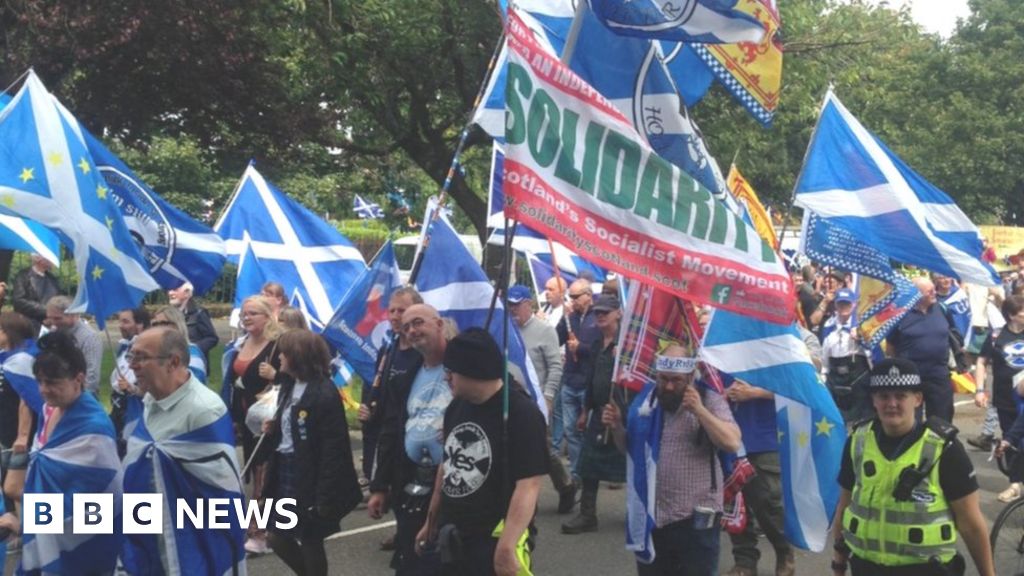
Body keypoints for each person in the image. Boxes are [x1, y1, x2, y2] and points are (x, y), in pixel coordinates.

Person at [830, 358, 994, 576]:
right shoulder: (858, 442)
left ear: (917, 399)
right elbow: (845, 506)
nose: (892, 404)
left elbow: (971, 524)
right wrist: (839, 564)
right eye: (884, 396)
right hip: (866, 568)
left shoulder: (945, 449)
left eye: (901, 396)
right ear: (874, 400)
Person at [414, 328, 548, 576]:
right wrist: (431, 521)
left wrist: (507, 545)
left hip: (492, 537)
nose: (446, 378)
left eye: (450, 372)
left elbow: (529, 484)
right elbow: (447, 466)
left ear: (472, 370)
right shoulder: (456, 407)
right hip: (452, 534)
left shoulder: (522, 414)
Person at [603, 344, 741, 575]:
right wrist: (617, 427)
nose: (668, 386)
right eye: (663, 379)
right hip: (654, 517)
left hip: (695, 519)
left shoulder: (708, 397)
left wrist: (699, 411)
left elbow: (732, 442)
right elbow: (631, 451)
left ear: (690, 376)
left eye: (676, 381)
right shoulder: (647, 401)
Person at [121, 326, 246, 575]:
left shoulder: (204, 411)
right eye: (130, 356)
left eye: (141, 357)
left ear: (173, 362)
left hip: (192, 542)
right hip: (151, 535)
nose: (132, 365)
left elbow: (222, 495)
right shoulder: (147, 402)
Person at [19, 331, 121, 574]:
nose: (44, 390)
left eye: (53, 382)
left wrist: (30, 520)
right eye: (40, 381)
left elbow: (103, 500)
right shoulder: (48, 410)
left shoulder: (94, 430)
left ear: (79, 379)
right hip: (48, 526)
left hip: (82, 543)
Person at [263, 329, 363, 576]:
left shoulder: (324, 392)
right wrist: (275, 426)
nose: (279, 359)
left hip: (310, 474)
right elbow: (292, 424)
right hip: (285, 468)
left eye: (283, 353)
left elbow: (333, 448)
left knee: (309, 538)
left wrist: (324, 495)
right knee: (276, 536)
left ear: (298, 356)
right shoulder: (289, 385)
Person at [368, 303, 451, 575]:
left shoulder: (465, 365)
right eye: (406, 327)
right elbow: (391, 431)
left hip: (455, 489)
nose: (412, 331)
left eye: (418, 323)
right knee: (411, 562)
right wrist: (380, 486)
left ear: (439, 324)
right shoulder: (407, 376)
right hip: (411, 483)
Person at [221, 295, 286, 555]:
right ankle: (266, 527)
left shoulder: (278, 345)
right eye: (244, 314)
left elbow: (294, 379)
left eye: (253, 314)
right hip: (245, 419)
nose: (246, 318)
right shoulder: (241, 342)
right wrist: (235, 418)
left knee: (264, 475)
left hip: (269, 420)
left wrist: (276, 375)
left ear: (268, 316)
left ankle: (259, 533)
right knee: (256, 474)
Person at [508, 284, 575, 513]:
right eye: (509, 305)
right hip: (513, 398)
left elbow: (555, 367)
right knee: (516, 448)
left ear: (528, 304)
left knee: (544, 449)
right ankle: (524, 499)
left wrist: (547, 397)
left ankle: (565, 486)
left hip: (537, 399)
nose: (512, 309)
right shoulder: (507, 330)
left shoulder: (545, 330)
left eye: (517, 304)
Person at [563, 294, 625, 535]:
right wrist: (585, 410)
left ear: (618, 313)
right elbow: (591, 378)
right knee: (588, 466)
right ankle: (588, 515)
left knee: (631, 468)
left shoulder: (627, 344)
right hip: (599, 412)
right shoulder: (599, 343)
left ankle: (640, 515)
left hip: (622, 414)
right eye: (597, 312)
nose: (600, 315)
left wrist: (624, 357)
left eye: (605, 312)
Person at [723, 374, 794, 576]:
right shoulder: (718, 344)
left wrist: (754, 392)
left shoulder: (775, 342)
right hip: (728, 432)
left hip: (765, 435)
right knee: (734, 502)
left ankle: (784, 552)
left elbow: (796, 384)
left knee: (769, 502)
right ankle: (744, 562)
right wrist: (724, 393)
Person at [886, 277, 958, 422]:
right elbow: (890, 347)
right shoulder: (900, 314)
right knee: (910, 422)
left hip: (939, 375)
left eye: (934, 290)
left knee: (942, 421)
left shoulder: (942, 309)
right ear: (916, 294)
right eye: (929, 291)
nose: (934, 294)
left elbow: (951, 332)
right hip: (910, 378)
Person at [976, 295, 1024, 502]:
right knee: (1010, 440)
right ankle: (1015, 484)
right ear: (1012, 315)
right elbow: (981, 361)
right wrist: (979, 389)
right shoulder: (997, 336)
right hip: (1005, 398)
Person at [556, 278, 599, 480]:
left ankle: (588, 473)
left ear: (588, 295)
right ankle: (576, 474)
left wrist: (580, 348)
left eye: (575, 297)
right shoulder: (570, 316)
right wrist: (562, 319)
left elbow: (600, 350)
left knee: (587, 431)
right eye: (569, 297)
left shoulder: (598, 317)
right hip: (570, 380)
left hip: (588, 383)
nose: (572, 301)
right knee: (570, 430)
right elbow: (556, 338)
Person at [821, 289, 872, 423]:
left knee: (862, 421)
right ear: (836, 305)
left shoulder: (863, 324)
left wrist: (861, 339)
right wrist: (824, 377)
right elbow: (825, 359)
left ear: (854, 304)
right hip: (836, 379)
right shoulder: (828, 325)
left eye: (847, 304)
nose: (844, 307)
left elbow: (873, 354)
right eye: (841, 304)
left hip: (858, 378)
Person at [109, 307, 150, 453]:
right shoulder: (124, 346)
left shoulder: (148, 349)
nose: (120, 325)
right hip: (118, 409)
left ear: (140, 325)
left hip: (135, 412)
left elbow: (150, 389)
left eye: (125, 321)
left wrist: (131, 388)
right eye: (120, 321)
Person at [43, 295, 102, 397]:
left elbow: (91, 376)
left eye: (57, 318)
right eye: (50, 318)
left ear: (73, 315)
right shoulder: (53, 333)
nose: (53, 323)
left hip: (81, 398)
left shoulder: (89, 338)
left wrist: (75, 398)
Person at [152, 305, 209, 383]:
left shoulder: (192, 353)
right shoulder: (155, 353)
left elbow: (192, 383)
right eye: (155, 324)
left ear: (178, 325)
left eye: (164, 323)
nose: (159, 328)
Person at [168, 280, 219, 366]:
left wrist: (192, 350)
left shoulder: (199, 313)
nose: (170, 293)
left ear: (187, 293)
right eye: (169, 290)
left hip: (194, 363)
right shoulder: (168, 315)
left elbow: (212, 338)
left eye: (175, 289)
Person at [10, 254, 60, 334]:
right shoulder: (23, 276)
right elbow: (19, 302)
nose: (53, 261)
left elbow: (58, 300)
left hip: (49, 323)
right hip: (27, 323)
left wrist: (53, 316)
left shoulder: (52, 279)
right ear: (39, 259)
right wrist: (47, 310)